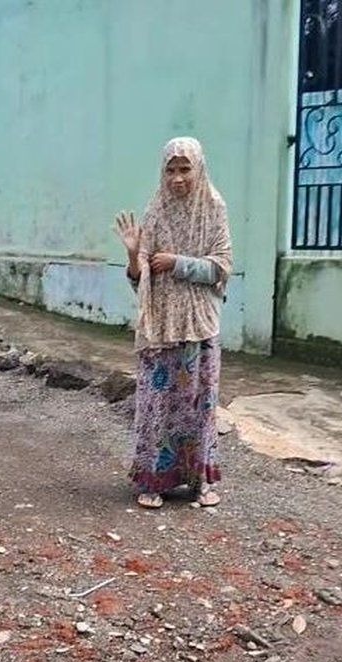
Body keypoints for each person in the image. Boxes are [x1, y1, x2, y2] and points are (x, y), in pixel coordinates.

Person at [114, 137, 232, 510]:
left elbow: (222, 266)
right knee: (156, 405)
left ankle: (201, 483)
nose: (177, 178)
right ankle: (153, 480)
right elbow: (139, 279)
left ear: (199, 169)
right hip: (161, 327)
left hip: (199, 326)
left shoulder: (214, 208)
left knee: (199, 406)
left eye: (185, 169)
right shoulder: (154, 212)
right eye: (171, 169)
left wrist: (178, 263)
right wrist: (135, 256)